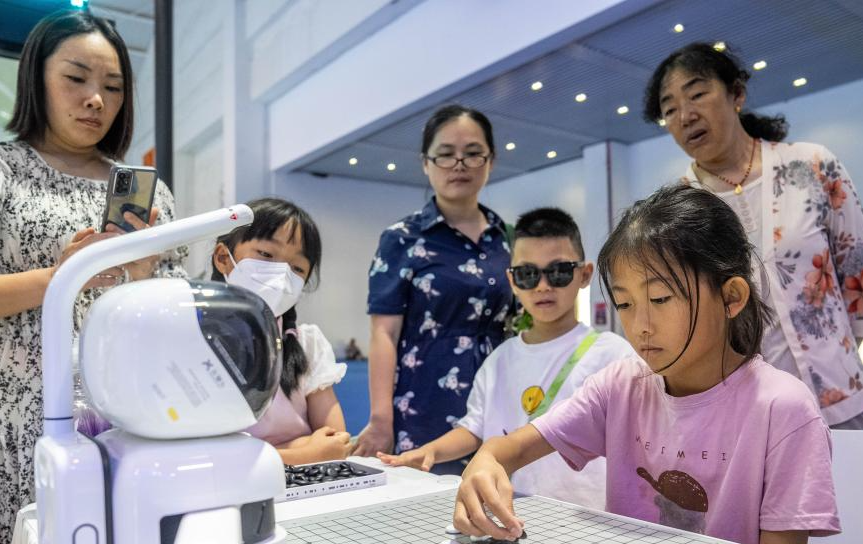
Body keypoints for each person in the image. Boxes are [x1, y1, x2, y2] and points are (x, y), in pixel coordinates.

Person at [0, 10, 185, 544]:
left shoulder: (149, 193)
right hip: (11, 415)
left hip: (124, 414)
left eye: (113, 87)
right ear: (36, 77)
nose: (96, 100)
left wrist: (143, 273)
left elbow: (178, 317)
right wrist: (59, 278)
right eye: (76, 78)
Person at [453, 185, 839, 544]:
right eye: (624, 303)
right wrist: (486, 462)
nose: (640, 325)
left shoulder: (782, 410)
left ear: (731, 297)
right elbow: (511, 449)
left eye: (659, 299)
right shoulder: (619, 387)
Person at [643, 42, 863, 429]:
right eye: (669, 109)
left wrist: (848, 349)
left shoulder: (811, 165)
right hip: (747, 412)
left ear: (736, 94)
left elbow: (856, 259)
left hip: (839, 393)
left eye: (698, 94)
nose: (685, 116)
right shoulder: (679, 209)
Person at [377, 207, 636, 509]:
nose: (543, 286)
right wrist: (431, 452)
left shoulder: (614, 355)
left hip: (586, 513)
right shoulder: (499, 359)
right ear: (512, 281)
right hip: (511, 508)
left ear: (585, 274)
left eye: (559, 271)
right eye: (527, 274)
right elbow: (473, 429)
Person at [356, 105, 512, 474]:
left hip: (497, 396)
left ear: (491, 161)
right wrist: (381, 419)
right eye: (445, 154)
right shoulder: (401, 238)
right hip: (424, 400)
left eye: (473, 153)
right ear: (426, 163)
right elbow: (384, 333)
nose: (459, 164)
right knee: (427, 501)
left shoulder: (504, 236)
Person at [210, 197, 350, 465]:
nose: (281, 273)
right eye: (266, 254)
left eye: (297, 267)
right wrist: (306, 451)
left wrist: (271, 453)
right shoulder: (193, 337)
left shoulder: (307, 343)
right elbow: (212, 459)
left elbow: (336, 442)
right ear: (223, 258)